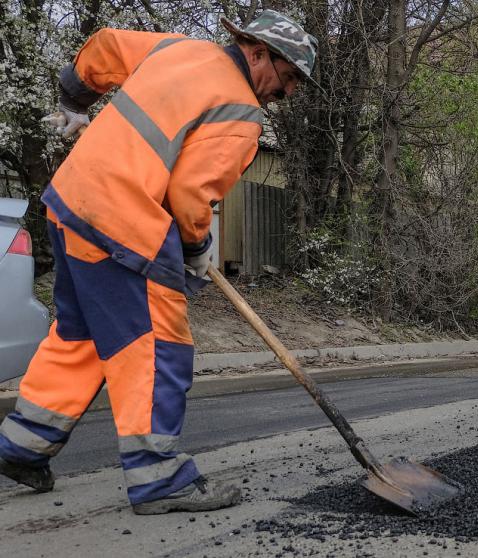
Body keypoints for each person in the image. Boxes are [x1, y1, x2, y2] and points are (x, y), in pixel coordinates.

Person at [0, 10, 317, 514]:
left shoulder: (178, 49)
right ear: (258, 53)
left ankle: (21, 447)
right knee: (158, 348)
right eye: (289, 77)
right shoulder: (240, 110)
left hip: (69, 203)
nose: (290, 92)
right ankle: (159, 479)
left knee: (80, 338)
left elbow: (104, 47)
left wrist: (74, 101)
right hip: (123, 224)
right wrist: (195, 248)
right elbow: (191, 194)